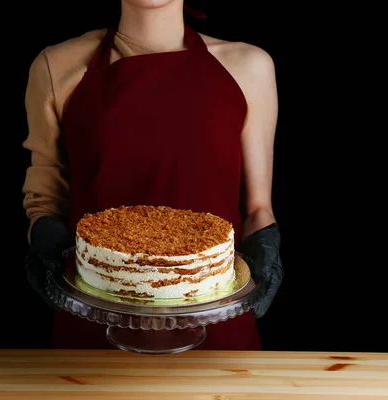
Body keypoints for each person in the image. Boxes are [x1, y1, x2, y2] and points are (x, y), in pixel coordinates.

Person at [22, 0, 283, 350]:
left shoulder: (249, 67)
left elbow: (258, 208)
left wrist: (265, 246)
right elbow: (45, 195)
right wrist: (43, 232)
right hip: (92, 324)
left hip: (217, 326)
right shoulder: (55, 66)